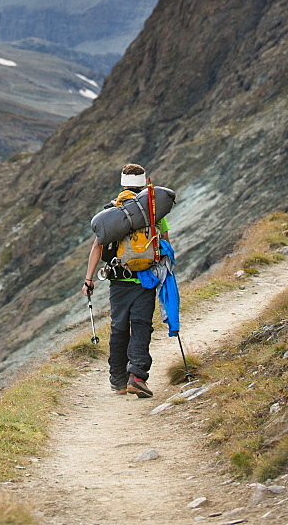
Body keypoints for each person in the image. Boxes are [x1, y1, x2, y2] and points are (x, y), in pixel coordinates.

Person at [82, 162, 172, 398]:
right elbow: (165, 243)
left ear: (122, 183)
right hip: (146, 279)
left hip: (119, 280)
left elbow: (98, 246)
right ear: (144, 183)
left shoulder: (113, 213)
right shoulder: (155, 212)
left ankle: (118, 379)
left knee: (119, 327)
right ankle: (137, 375)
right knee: (142, 325)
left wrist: (88, 279)